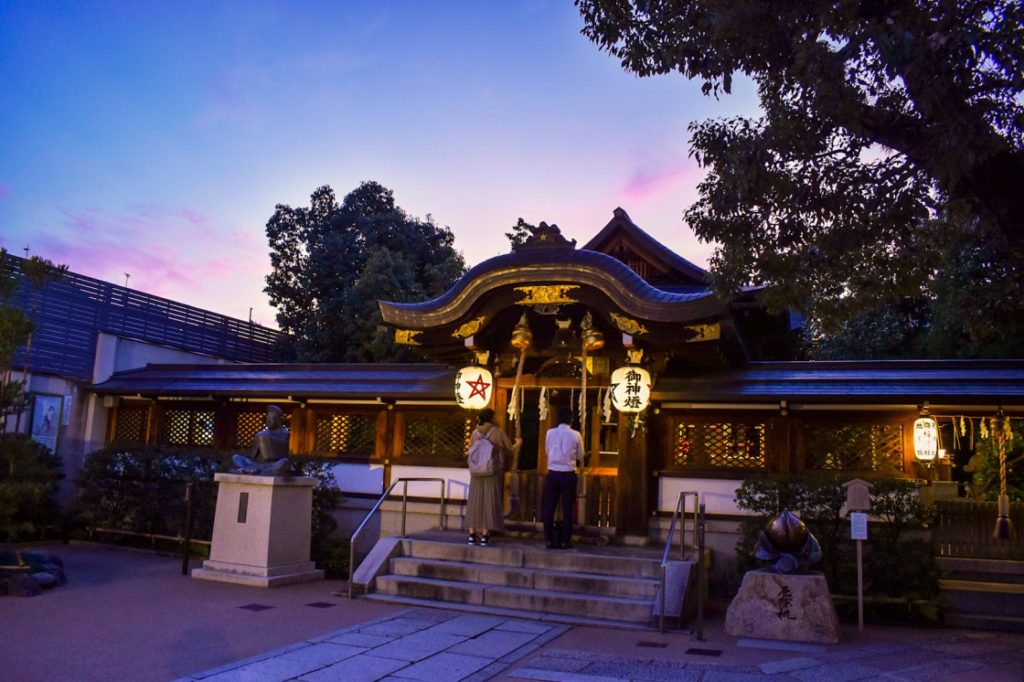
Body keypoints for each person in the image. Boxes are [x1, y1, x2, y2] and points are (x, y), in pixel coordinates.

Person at [466, 408, 520, 546]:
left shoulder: (474, 433)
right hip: (492, 471)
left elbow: (471, 451)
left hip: (476, 472)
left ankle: (471, 535)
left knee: (474, 501)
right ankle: (485, 536)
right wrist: (518, 443)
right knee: (490, 501)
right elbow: (510, 449)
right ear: (492, 418)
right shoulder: (498, 432)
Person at [542, 406, 584, 549]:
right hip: (568, 473)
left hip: (552, 472)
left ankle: (548, 539)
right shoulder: (576, 435)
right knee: (568, 509)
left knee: (549, 508)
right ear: (571, 420)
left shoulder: (549, 433)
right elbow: (580, 455)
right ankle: (566, 540)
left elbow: (547, 450)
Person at [231, 405, 291, 476]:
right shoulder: (263, 433)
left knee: (284, 462)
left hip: (272, 464)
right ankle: (250, 469)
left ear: (278, 420)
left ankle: (250, 470)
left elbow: (281, 453)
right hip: (256, 464)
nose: (268, 421)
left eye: (271, 419)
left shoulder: (284, 433)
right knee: (236, 457)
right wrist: (260, 437)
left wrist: (267, 439)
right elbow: (253, 455)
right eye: (267, 419)